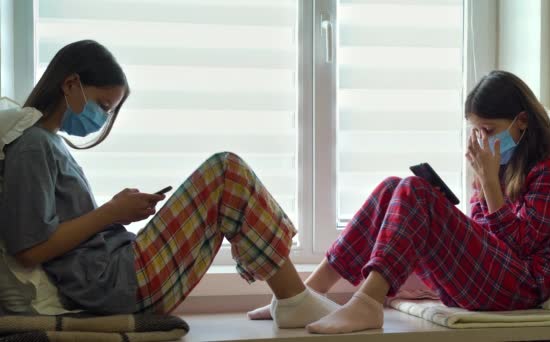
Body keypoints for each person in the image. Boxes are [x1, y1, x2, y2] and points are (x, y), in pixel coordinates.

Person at [0, 40, 339, 328]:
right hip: (112, 284)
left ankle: (292, 297)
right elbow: (30, 249)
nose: (101, 118)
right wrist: (110, 213)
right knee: (226, 171)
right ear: (71, 84)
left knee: (226, 174)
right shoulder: (33, 144)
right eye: (103, 105)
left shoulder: (49, 144)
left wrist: (115, 212)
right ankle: (293, 298)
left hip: (116, 272)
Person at [248, 70, 550, 334]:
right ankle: (303, 295)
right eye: (476, 132)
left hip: (522, 288)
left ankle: (368, 302)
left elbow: (519, 247)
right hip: (489, 279)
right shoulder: (500, 169)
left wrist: (489, 184)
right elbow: (484, 236)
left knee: (415, 190)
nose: (483, 140)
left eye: (489, 130)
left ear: (521, 122)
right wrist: (478, 190)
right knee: (393, 187)